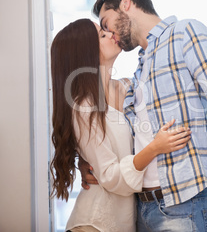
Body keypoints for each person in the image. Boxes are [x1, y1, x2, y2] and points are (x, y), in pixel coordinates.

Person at [80, 0, 207, 231]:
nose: (110, 34)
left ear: (126, 4)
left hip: (183, 206)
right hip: (141, 208)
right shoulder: (139, 72)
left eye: (107, 23)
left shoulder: (185, 32)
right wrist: (87, 161)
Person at [50, 18, 192, 232]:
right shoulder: (83, 106)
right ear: (84, 52)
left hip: (128, 220)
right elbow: (110, 176)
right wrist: (155, 148)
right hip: (95, 224)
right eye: (101, 35)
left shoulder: (128, 88)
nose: (110, 34)